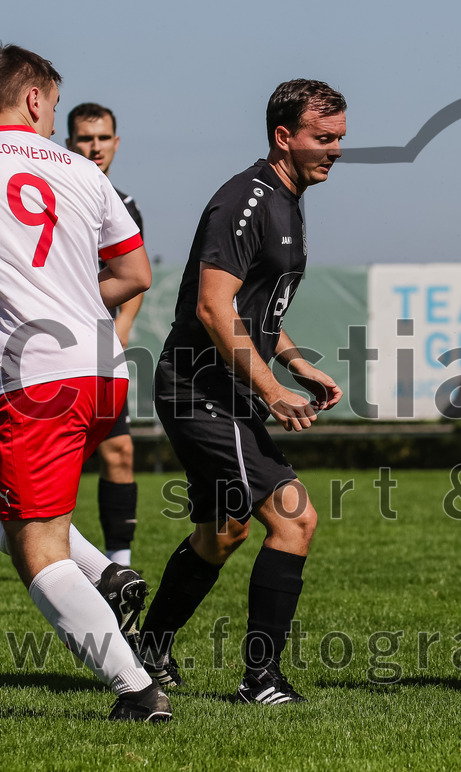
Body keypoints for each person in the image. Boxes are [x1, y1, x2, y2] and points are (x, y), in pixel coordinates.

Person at [137, 79, 346, 705]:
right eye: (323, 138)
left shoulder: (291, 198)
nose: (335, 150)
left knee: (222, 532)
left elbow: (256, 311)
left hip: (221, 387)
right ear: (284, 137)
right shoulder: (246, 201)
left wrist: (294, 362)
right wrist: (271, 389)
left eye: (340, 138)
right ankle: (261, 678)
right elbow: (211, 305)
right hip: (202, 387)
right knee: (295, 518)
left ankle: (146, 651)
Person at [0, 43, 167, 721]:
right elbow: (136, 275)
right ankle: (106, 570)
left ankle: (138, 689)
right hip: (102, 370)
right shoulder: (82, 171)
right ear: (35, 98)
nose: (52, 120)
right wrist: (69, 298)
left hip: (34, 378)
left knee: (35, 549)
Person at [66, 102, 143, 566]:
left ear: (115, 143)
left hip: (100, 348)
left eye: (102, 137)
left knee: (119, 451)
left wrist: (122, 330)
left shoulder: (125, 204)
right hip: (45, 346)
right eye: (84, 138)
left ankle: (119, 563)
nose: (94, 146)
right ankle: (50, 554)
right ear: (69, 143)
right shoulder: (56, 192)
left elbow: (133, 274)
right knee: (54, 462)